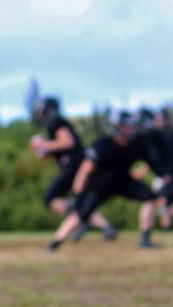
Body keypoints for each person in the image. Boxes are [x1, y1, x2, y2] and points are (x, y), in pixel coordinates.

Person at [47, 112, 162, 251]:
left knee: (149, 198)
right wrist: (78, 192)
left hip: (123, 181)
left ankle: (145, 239)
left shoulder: (137, 143)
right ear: (118, 127)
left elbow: (151, 162)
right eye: (127, 126)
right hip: (100, 185)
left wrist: (148, 173)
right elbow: (85, 170)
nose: (131, 129)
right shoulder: (103, 144)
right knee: (81, 213)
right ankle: (56, 241)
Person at [30, 97, 117, 243]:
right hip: (73, 165)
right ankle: (103, 226)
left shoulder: (56, 122)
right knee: (78, 203)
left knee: (50, 198)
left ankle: (86, 220)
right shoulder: (55, 124)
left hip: (74, 166)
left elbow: (68, 142)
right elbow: (60, 149)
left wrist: (44, 144)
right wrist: (44, 152)